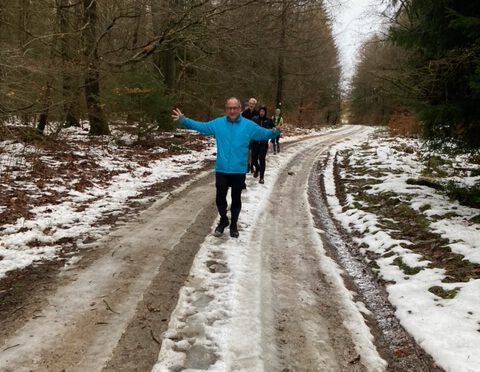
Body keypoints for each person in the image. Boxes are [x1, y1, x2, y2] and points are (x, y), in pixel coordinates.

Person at [171, 97, 280, 238]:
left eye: (235, 108)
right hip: (222, 168)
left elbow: (263, 133)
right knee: (220, 198)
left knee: (236, 199)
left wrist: (275, 132)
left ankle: (234, 224)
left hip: (239, 170)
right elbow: (201, 126)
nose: (232, 110)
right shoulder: (218, 124)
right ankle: (223, 219)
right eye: (230, 108)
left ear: (240, 109)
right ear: (226, 109)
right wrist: (184, 120)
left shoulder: (248, 125)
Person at [251, 106, 274, 184]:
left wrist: (272, 141)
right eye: (260, 111)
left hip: (263, 143)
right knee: (254, 159)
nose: (262, 113)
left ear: (265, 112)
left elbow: (274, 131)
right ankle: (257, 169)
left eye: (263, 111)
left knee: (262, 159)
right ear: (259, 112)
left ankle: (261, 177)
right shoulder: (254, 119)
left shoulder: (269, 120)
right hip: (254, 142)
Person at [241, 98, 259, 174]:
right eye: (250, 103)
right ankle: (248, 165)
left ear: (255, 105)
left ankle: (252, 165)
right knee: (247, 150)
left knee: (253, 151)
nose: (251, 105)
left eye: (253, 104)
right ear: (248, 104)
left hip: (254, 134)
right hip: (246, 134)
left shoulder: (257, 113)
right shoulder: (244, 113)